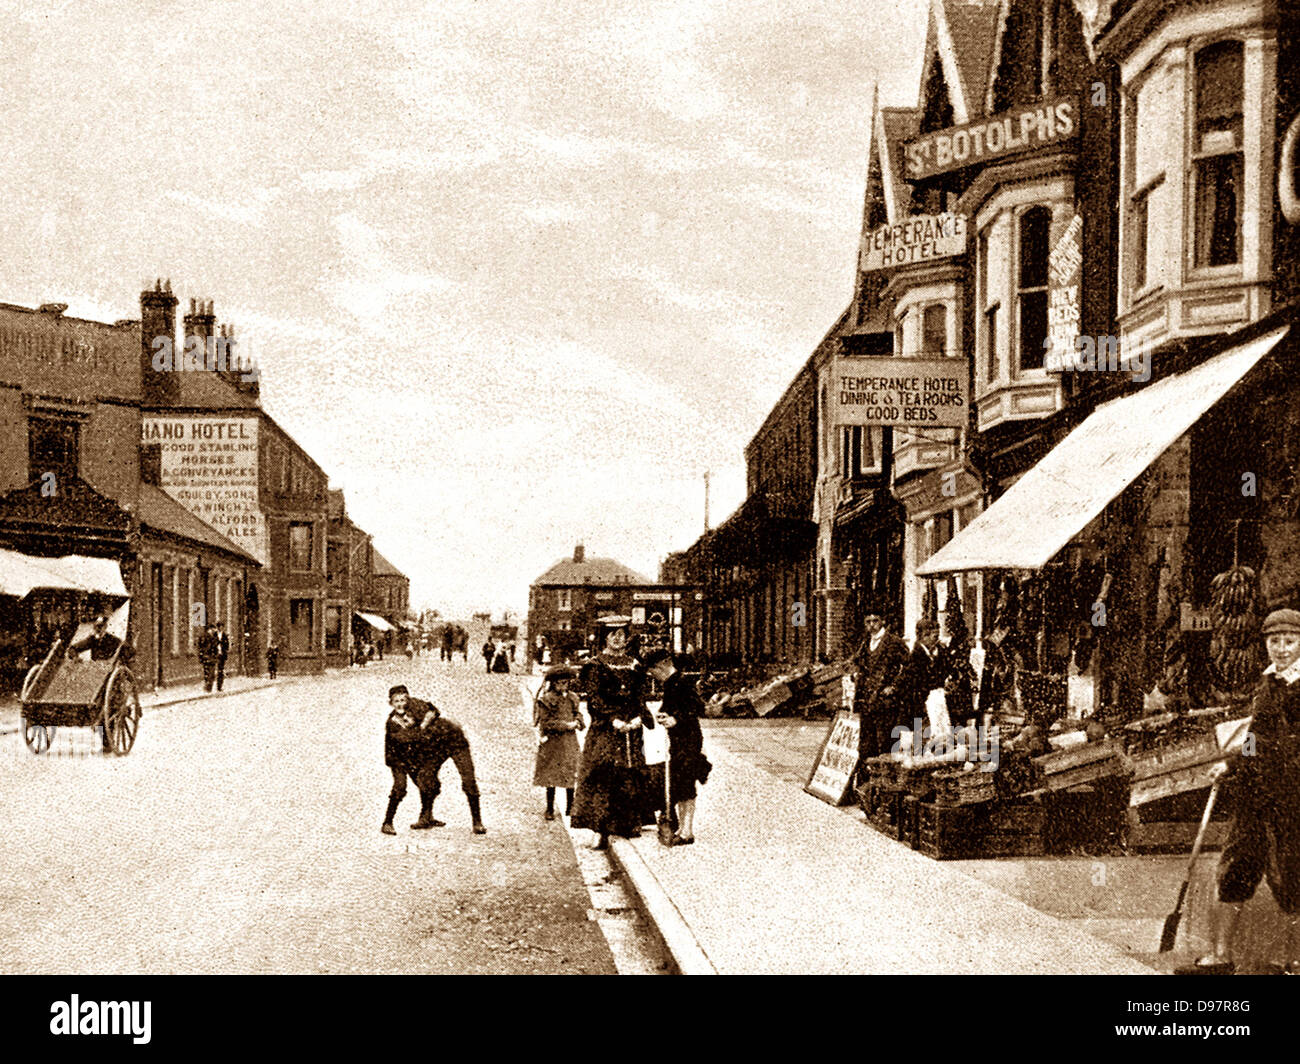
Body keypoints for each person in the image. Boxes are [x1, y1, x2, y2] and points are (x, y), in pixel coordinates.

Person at [1177, 609, 1300, 975]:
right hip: (1254, 794)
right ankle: (1220, 956)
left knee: (1293, 874)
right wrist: (1230, 763)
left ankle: (1294, 959)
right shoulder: (1266, 684)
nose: (1281, 649)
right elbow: (1253, 738)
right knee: (1235, 869)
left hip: (1292, 795)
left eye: (1289, 642)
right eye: (1274, 641)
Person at [570, 618, 655, 849]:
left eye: (622, 634)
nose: (618, 639)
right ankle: (600, 830)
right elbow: (594, 700)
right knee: (604, 773)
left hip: (631, 729)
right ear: (604, 638)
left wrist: (640, 717)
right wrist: (613, 719)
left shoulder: (635, 664)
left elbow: (640, 696)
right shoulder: (595, 665)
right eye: (613, 634)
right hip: (606, 728)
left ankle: (629, 822)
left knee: (631, 772)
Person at [645, 648, 710, 845]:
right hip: (678, 739)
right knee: (681, 784)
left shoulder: (682, 682)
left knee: (686, 784)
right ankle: (682, 827)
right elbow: (670, 706)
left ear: (664, 664)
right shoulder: (671, 684)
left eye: (653, 670)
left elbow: (698, 708)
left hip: (688, 739)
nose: (653, 675)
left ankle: (687, 831)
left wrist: (676, 719)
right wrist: (664, 714)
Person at [408, 694, 487, 835]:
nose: (400, 705)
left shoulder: (413, 704)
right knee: (425, 776)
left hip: (454, 740)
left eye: (401, 699)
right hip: (435, 747)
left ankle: (477, 821)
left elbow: (432, 711)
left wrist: (423, 725)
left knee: (468, 779)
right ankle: (426, 816)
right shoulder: (394, 722)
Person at [851, 605, 909, 781]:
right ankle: (867, 784)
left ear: (882, 621)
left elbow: (909, 667)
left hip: (885, 702)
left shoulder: (894, 642)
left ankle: (886, 784)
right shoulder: (865, 643)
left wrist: (894, 686)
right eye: (868, 622)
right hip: (867, 701)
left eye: (875, 621)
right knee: (866, 744)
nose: (872, 625)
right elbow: (857, 663)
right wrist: (855, 675)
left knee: (885, 742)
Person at [533, 666, 584, 820]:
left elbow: (578, 713)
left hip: (569, 741)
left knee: (570, 771)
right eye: (559, 684)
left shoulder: (573, 698)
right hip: (553, 742)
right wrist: (565, 725)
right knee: (551, 774)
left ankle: (571, 805)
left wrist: (578, 722)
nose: (562, 686)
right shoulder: (546, 700)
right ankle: (549, 808)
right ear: (553, 684)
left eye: (565, 683)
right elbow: (546, 722)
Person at [198, 624, 219, 692]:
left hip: (211, 657)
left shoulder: (214, 637)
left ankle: (208, 687)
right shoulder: (204, 637)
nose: (214, 631)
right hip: (207, 657)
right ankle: (208, 687)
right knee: (208, 673)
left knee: (210, 673)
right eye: (213, 629)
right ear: (209, 629)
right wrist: (201, 656)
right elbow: (200, 647)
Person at [214, 622, 230, 692]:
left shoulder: (225, 635)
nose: (220, 628)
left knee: (220, 670)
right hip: (215, 654)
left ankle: (219, 686)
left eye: (221, 626)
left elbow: (227, 645)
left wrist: (224, 649)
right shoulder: (214, 635)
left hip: (222, 655)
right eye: (219, 626)